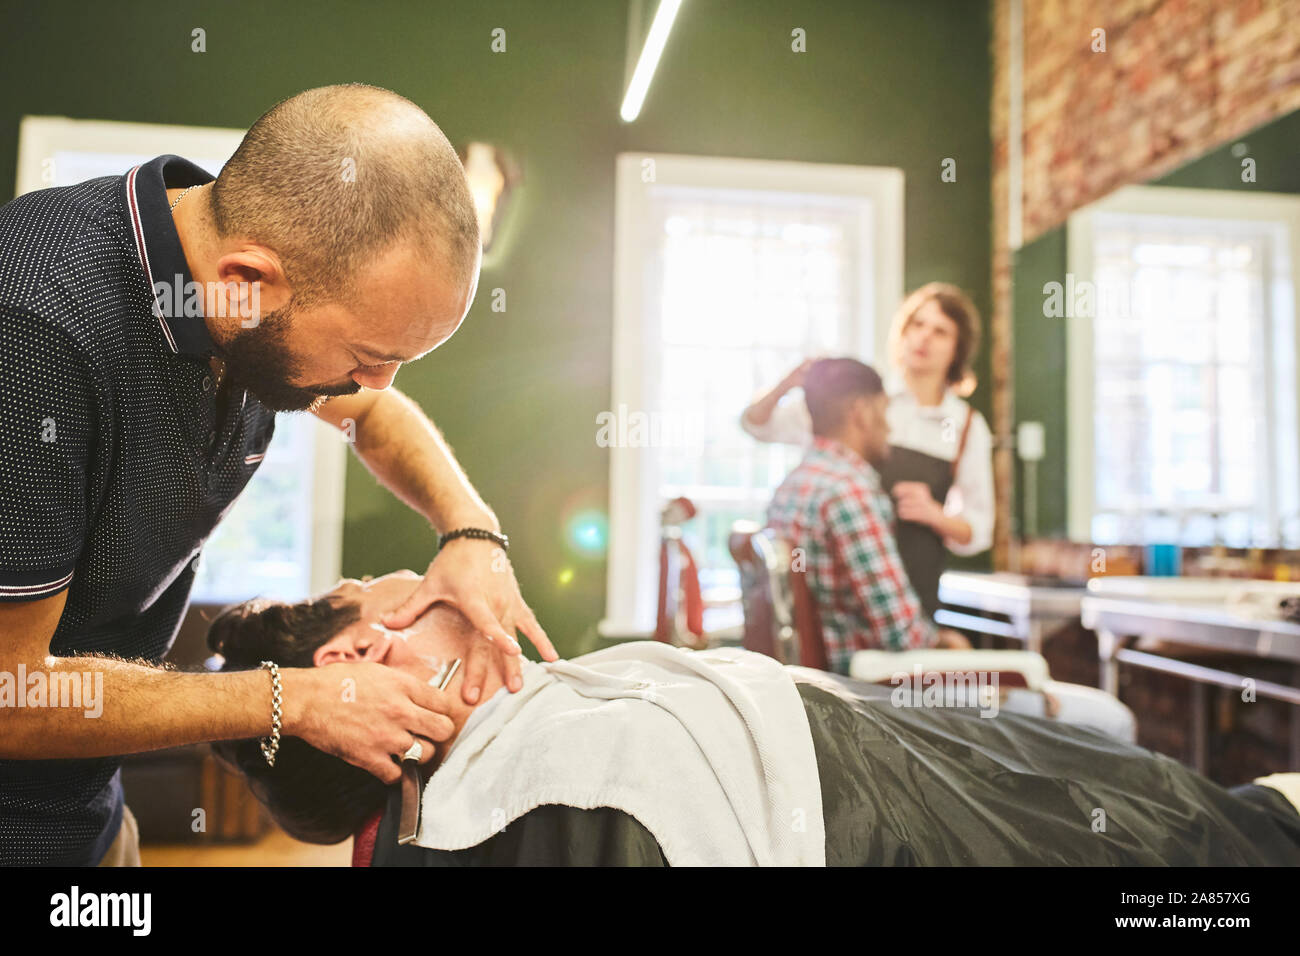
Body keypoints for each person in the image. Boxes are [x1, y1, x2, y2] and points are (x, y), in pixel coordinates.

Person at [0, 84, 555, 867]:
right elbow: (9, 693)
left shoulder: (219, 283)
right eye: (368, 356)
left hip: (87, 807)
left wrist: (469, 530)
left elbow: (371, 416)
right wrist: (290, 699)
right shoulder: (35, 333)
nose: (377, 385)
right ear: (248, 281)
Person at [208, 571, 1300, 867]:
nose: (421, 567)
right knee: (1202, 834)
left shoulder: (499, 733)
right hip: (873, 798)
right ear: (357, 652)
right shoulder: (533, 796)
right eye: (366, 576)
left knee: (1135, 783)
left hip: (859, 731)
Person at [766, 359, 1133, 742]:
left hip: (829, 690)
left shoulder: (791, 487)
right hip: (880, 692)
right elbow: (904, 636)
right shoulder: (850, 491)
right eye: (883, 412)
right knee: (1110, 719)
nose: (889, 427)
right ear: (860, 412)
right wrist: (951, 645)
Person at [743, 283, 993, 623]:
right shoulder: (858, 397)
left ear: (957, 349)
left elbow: (979, 530)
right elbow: (758, 425)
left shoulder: (965, 426)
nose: (924, 338)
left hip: (910, 600)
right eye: (917, 325)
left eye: (940, 332)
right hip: (841, 602)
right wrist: (787, 384)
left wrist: (936, 514)